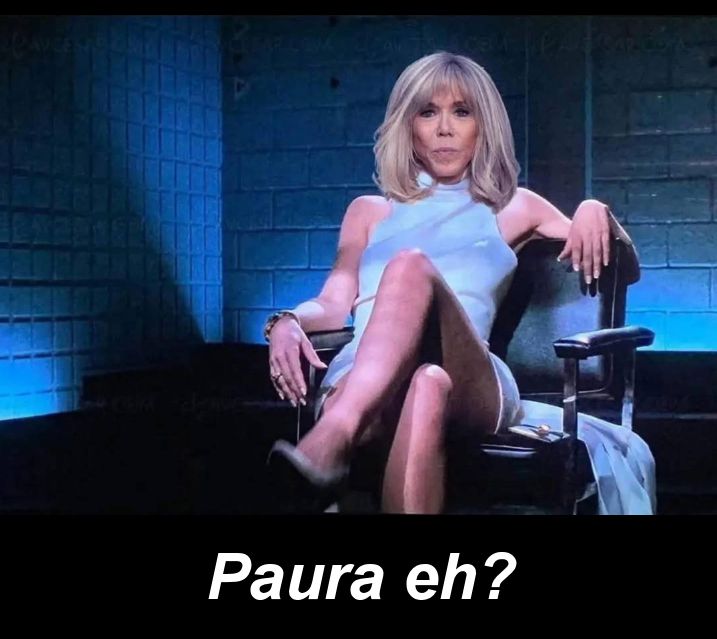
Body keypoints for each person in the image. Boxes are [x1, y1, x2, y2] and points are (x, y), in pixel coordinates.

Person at [263, 51, 654, 515]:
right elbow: (332, 302)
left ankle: (331, 439)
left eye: (462, 112)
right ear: (408, 125)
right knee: (427, 383)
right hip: (368, 370)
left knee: (409, 266)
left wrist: (596, 211)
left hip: (473, 375)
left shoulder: (513, 206)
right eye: (428, 112)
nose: (445, 128)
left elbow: (623, 269)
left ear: (483, 125)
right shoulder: (367, 211)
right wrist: (286, 321)